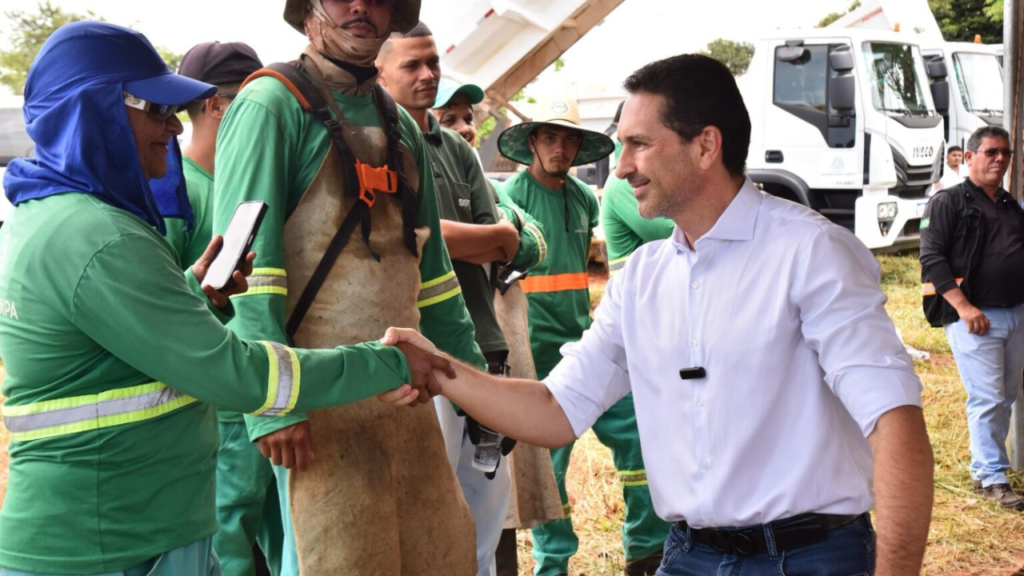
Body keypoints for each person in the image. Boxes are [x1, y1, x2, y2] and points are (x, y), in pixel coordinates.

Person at [386, 53, 934, 575]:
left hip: (811, 557)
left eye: (639, 145)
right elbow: (555, 410)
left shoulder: (811, 253)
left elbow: (894, 423)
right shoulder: (643, 278)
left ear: (706, 146)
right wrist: (440, 371)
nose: (620, 167)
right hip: (689, 557)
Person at [0, 21, 446, 576]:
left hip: (129, 529)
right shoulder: (99, 239)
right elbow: (235, 373)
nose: (172, 128)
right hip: (110, 543)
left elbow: (108, 358)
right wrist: (389, 361)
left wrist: (196, 297)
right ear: (95, 112)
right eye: (157, 111)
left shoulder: (52, 218)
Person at [213, 1, 487, 574]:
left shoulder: (402, 126)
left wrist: (476, 384)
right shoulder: (269, 105)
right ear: (309, 10)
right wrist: (272, 407)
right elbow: (243, 271)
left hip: (406, 396)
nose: (361, 5)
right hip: (313, 405)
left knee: (433, 550)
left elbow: (431, 276)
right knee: (331, 558)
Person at [498, 97, 668, 576]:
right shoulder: (512, 195)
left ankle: (647, 550)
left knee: (636, 438)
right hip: (536, 354)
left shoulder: (578, 196)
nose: (561, 147)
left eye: (570, 138)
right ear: (532, 142)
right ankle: (552, 565)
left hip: (585, 344)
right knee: (550, 471)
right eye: (550, 137)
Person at [378, 23, 522, 576]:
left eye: (433, 62)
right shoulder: (372, 143)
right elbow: (409, 243)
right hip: (418, 357)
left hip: (479, 343)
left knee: (484, 510)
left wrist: (465, 237)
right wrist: (472, 237)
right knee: (427, 508)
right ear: (379, 72)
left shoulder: (456, 148)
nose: (428, 75)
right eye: (412, 66)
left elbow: (504, 240)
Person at [169, 41, 286, 576]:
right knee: (232, 533)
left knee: (286, 531)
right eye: (248, 98)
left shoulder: (241, 182)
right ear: (216, 105)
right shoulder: (175, 192)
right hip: (222, 399)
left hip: (263, 378)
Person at [920, 126, 1024, 509]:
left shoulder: (1009, 204)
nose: (1000, 159)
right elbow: (932, 258)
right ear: (968, 157)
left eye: (1006, 154)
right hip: (975, 318)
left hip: (1014, 314)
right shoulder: (948, 202)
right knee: (987, 398)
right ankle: (994, 479)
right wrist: (963, 307)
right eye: (991, 152)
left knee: (1005, 398)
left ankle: (985, 472)